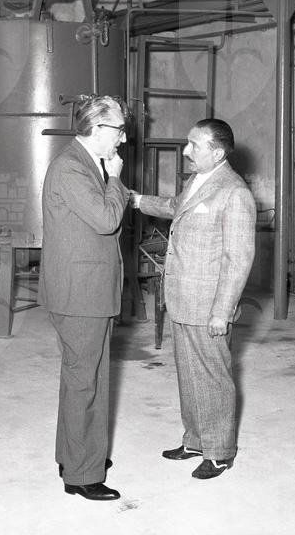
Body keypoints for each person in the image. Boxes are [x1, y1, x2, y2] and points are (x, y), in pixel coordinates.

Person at [130, 118, 256, 479]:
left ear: (217, 153)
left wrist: (222, 311)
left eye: (194, 145)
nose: (186, 151)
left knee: (213, 378)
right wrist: (137, 200)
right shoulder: (197, 181)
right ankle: (196, 440)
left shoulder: (234, 193)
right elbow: (176, 206)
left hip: (208, 304)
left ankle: (220, 452)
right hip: (183, 297)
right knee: (189, 374)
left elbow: (238, 259)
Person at [38, 95, 130, 501]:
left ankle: (75, 455)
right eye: (119, 130)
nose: (123, 139)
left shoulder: (84, 163)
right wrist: (117, 181)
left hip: (87, 290)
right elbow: (106, 219)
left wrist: (109, 178)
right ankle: (82, 476)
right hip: (80, 294)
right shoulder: (72, 168)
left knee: (83, 377)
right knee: (85, 383)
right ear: (97, 128)